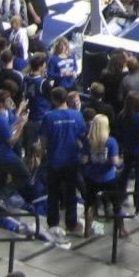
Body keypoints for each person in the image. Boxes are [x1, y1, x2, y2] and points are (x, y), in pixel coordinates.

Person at [41, 86, 86, 243]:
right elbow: (83, 139)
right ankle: (71, 223)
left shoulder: (49, 117)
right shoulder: (78, 116)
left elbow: (43, 141)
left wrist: (41, 155)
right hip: (72, 160)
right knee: (71, 193)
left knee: (53, 194)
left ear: (53, 100)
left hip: (54, 161)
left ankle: (53, 223)